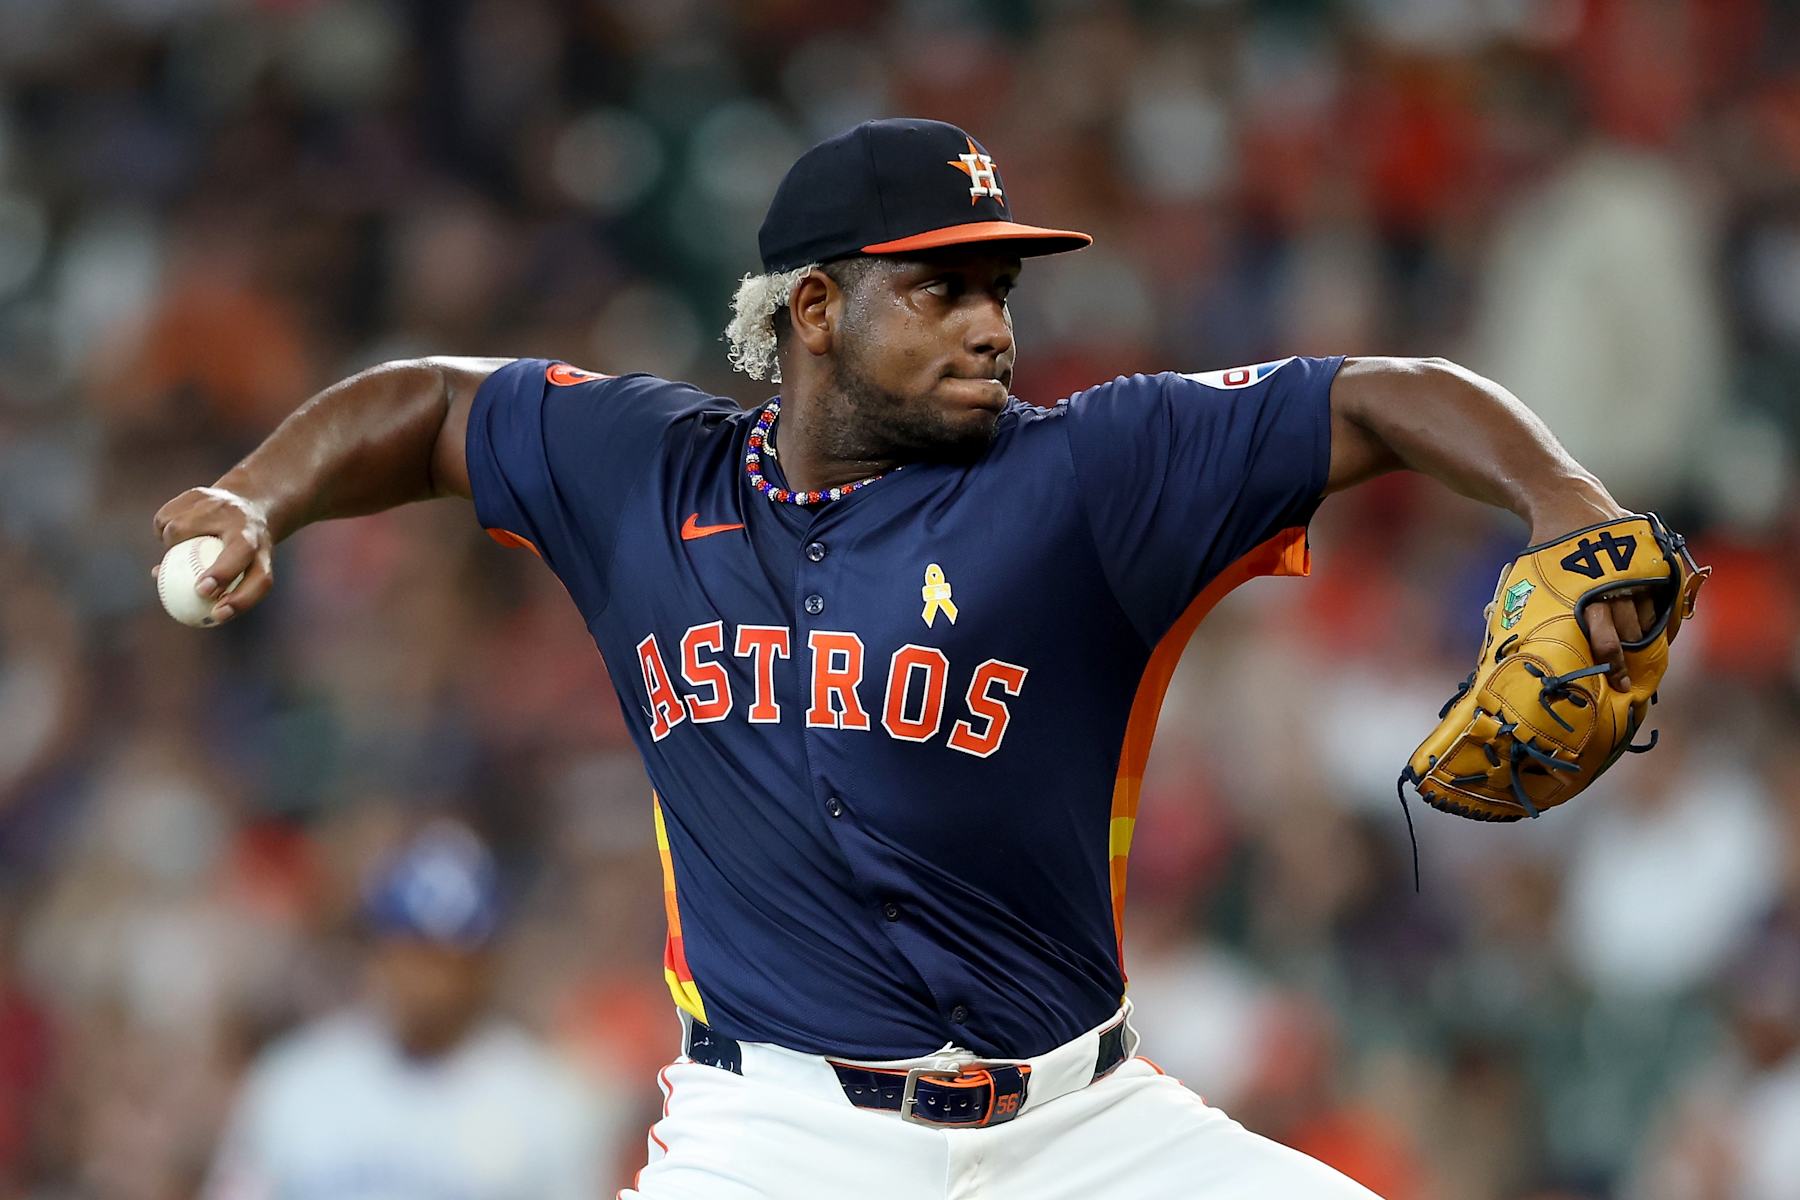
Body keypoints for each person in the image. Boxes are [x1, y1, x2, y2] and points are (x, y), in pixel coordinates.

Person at [157, 118, 1663, 1198]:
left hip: (1087, 1131)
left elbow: (1380, 394)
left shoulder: (1088, 474)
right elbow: (429, 402)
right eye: (939, 287)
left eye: (999, 288)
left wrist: (1572, 509)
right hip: (778, 1141)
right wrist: (252, 493)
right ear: (814, 310)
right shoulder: (648, 474)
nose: (992, 324)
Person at [202, 822, 610, 1199]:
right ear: (379, 954)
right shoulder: (295, 1080)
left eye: (449, 958)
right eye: (411, 951)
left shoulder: (547, 1099)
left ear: (488, 966)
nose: (428, 979)